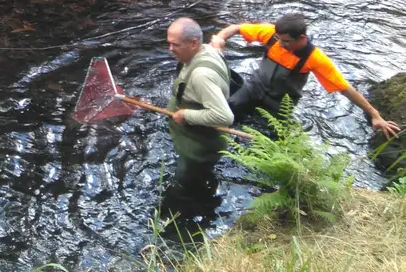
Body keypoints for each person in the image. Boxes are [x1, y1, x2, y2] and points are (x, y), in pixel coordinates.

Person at [210, 13, 400, 137]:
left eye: (286, 42)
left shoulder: (315, 59)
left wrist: (374, 114)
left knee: (270, 137)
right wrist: (219, 39)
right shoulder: (272, 35)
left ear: (301, 38)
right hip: (255, 87)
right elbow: (236, 27)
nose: (280, 44)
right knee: (228, 109)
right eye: (278, 39)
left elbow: (345, 89)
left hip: (279, 102)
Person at [163, 17, 234, 220]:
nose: (170, 49)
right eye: (169, 43)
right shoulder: (210, 50)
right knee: (200, 176)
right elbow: (219, 45)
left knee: (184, 185)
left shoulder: (200, 75)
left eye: (175, 44)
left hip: (199, 146)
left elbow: (224, 116)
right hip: (197, 137)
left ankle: (182, 218)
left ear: (194, 43)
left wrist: (186, 114)